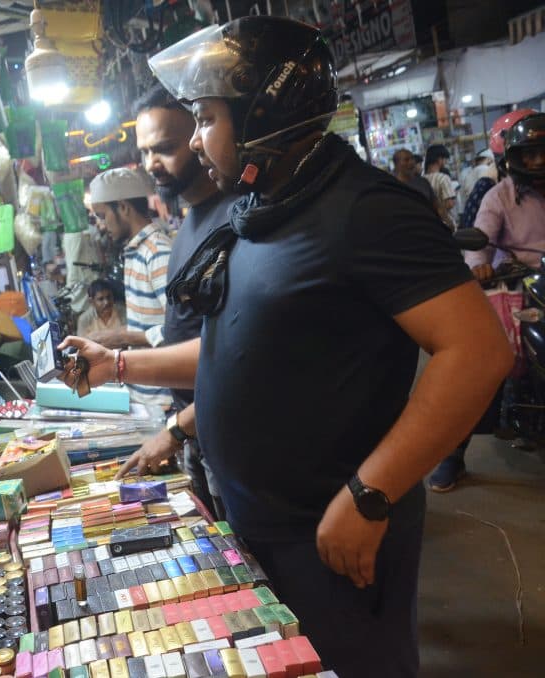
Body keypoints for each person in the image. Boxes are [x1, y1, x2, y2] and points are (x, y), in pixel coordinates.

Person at [62, 16, 511, 677]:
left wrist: (371, 493)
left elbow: (478, 352)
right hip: (261, 519)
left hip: (333, 525)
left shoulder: (365, 210)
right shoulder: (260, 211)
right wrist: (119, 365)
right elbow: (237, 349)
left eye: (206, 118)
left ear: (264, 115)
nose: (196, 137)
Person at [115, 83, 238, 519]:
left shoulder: (234, 220)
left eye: (165, 148)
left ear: (200, 136)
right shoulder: (190, 222)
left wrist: (176, 430)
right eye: (145, 151)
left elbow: (240, 361)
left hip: (228, 434)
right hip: (200, 432)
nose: (152, 164)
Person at [429, 112, 545, 491]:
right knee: (485, 362)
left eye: (542, 152)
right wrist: (479, 265)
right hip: (514, 285)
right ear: (514, 158)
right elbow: (479, 242)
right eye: (529, 154)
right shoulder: (499, 196)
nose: (537, 161)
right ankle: (454, 453)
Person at [87, 167, 172, 408]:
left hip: (164, 401)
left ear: (123, 207)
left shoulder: (157, 253)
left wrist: (121, 336)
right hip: (144, 394)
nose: (101, 225)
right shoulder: (136, 251)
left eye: (103, 215)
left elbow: (182, 332)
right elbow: (150, 324)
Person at [458, 149, 498, 229]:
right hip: (482, 211)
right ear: (489, 159)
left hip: (469, 210)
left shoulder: (469, 172)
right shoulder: (486, 170)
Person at [424, 144, 458, 229]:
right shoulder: (443, 178)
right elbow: (449, 203)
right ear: (439, 159)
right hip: (444, 224)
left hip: (428, 223)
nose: (446, 162)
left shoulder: (422, 179)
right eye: (445, 159)